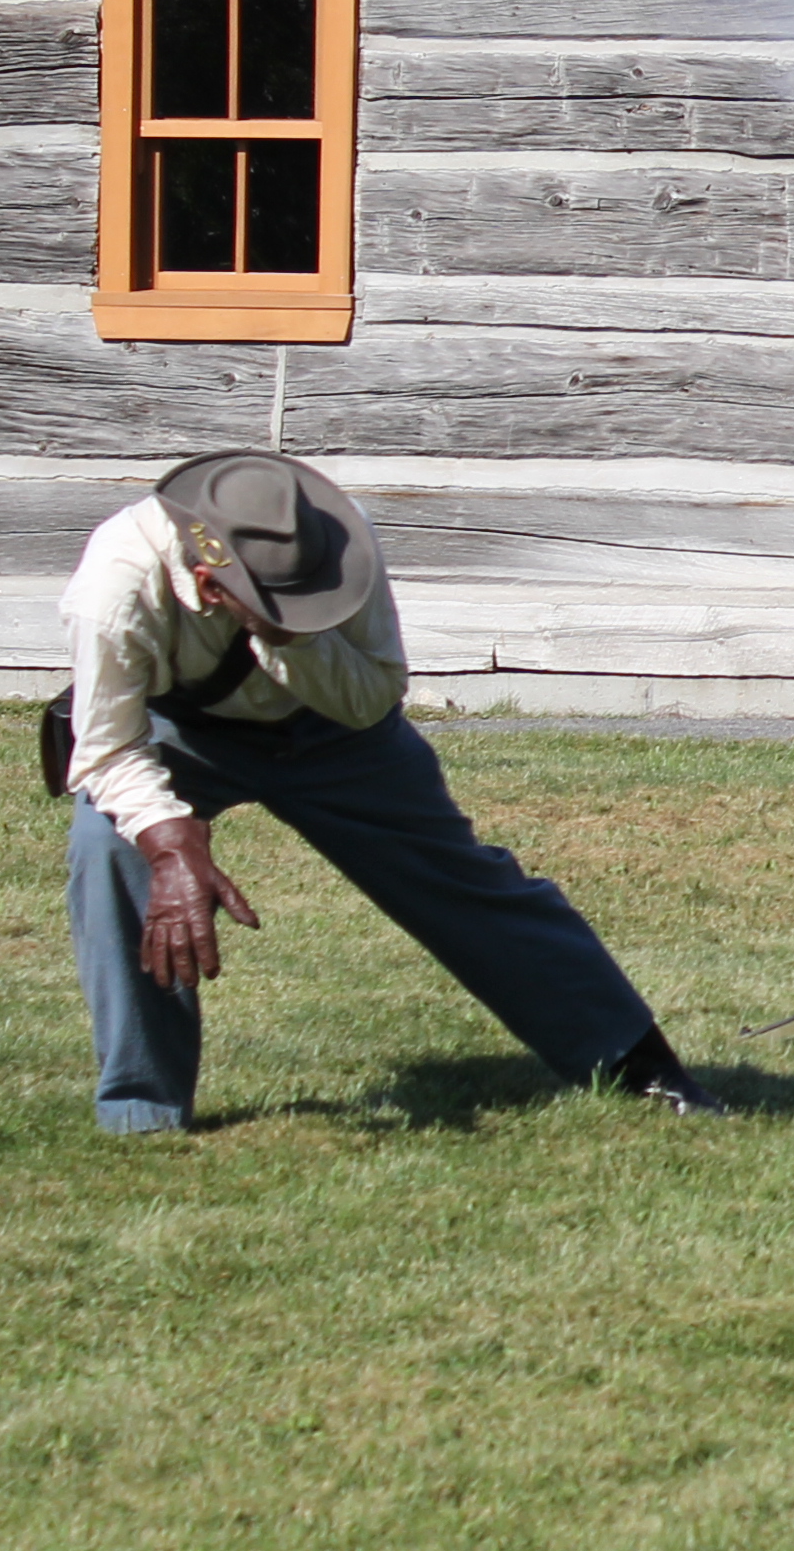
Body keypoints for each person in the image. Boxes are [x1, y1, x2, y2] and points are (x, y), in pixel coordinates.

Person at [59, 451, 713, 1132]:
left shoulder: (339, 538)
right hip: (180, 731)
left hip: (332, 726)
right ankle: (143, 1112)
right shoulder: (113, 583)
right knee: (110, 852)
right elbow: (106, 747)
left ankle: (636, 1066)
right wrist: (167, 843)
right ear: (205, 580)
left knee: (458, 880)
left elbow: (373, 695)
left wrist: (283, 636)